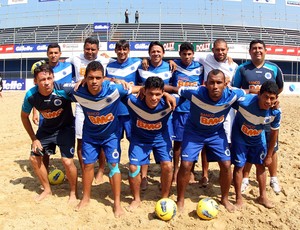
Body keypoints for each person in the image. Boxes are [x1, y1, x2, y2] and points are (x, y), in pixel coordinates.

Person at [166, 69, 245, 212]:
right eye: (212, 83)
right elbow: (173, 88)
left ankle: (225, 199)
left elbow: (249, 93)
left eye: (219, 83)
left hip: (216, 133)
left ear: (226, 84)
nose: (215, 86)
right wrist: (165, 93)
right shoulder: (195, 92)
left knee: (227, 164)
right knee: (186, 164)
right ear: (205, 84)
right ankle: (180, 199)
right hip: (194, 132)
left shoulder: (233, 95)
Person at [72, 61, 136, 217]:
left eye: (98, 78)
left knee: (114, 166)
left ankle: (117, 203)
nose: (94, 81)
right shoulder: (77, 91)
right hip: (90, 136)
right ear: (85, 78)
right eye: (90, 77)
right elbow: (54, 89)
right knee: (87, 166)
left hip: (111, 136)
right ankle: (86, 197)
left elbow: (140, 90)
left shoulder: (115, 89)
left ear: (103, 78)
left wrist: (167, 93)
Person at [232, 39, 284, 195]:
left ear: (265, 50)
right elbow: (235, 88)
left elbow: (280, 87)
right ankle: (246, 178)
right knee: (250, 144)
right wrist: (253, 93)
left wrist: (272, 100)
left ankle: (273, 178)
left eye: (260, 48)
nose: (257, 51)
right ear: (249, 51)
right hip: (250, 112)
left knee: (271, 147)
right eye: (254, 48)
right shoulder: (242, 69)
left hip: (267, 112)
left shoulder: (274, 68)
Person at [21, 64, 78, 203]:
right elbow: (23, 116)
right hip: (46, 130)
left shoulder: (64, 89)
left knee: (67, 161)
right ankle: (47, 189)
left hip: (66, 129)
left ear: (53, 78)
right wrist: (34, 139)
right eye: (42, 79)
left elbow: (87, 95)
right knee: (34, 158)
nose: (46, 82)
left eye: (49, 78)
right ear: (35, 81)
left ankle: (73, 193)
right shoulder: (31, 95)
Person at [122, 76, 176, 210]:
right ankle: (136, 198)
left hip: (160, 139)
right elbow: (117, 89)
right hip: (139, 140)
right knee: (134, 168)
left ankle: (164, 197)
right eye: (151, 93)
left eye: (158, 94)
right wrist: (122, 82)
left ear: (162, 93)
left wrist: (168, 94)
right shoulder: (132, 101)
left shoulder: (169, 102)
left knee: (168, 166)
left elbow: (187, 92)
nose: (154, 98)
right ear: (144, 91)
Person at [66, 36, 113, 183]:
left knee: (102, 139)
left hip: (101, 104)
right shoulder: (75, 58)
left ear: (98, 50)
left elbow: (122, 62)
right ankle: (86, 168)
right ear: (83, 48)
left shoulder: (106, 59)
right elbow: (59, 64)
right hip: (81, 103)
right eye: (87, 49)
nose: (90, 52)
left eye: (93, 49)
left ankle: (100, 170)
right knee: (80, 139)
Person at [194, 38, 239, 187]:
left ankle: (224, 174)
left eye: (223, 50)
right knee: (206, 140)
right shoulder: (205, 58)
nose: (220, 52)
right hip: (207, 105)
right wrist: (173, 62)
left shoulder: (234, 66)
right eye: (217, 49)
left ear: (227, 50)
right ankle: (205, 174)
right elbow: (186, 57)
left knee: (226, 140)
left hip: (226, 109)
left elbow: (236, 88)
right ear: (212, 50)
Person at [231, 81, 281, 209]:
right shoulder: (244, 102)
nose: (268, 101)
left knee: (261, 166)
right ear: (259, 94)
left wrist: (269, 155)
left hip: (258, 139)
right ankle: (238, 198)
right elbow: (229, 95)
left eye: (272, 98)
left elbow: (274, 134)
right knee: (239, 166)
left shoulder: (275, 112)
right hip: (240, 138)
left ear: (276, 99)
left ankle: (262, 197)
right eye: (266, 97)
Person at [31, 43, 75, 171]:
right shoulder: (43, 70)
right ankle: (46, 169)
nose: (53, 55)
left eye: (56, 53)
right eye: (51, 53)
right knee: (44, 147)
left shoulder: (68, 66)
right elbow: (36, 92)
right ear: (47, 54)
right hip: (46, 112)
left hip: (64, 108)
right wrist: (35, 112)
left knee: (65, 143)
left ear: (60, 54)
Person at [137, 41, 173, 190]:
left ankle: (164, 179)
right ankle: (144, 176)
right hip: (146, 108)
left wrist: (164, 94)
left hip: (164, 109)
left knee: (164, 142)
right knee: (145, 141)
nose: (156, 54)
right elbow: (138, 85)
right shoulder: (142, 66)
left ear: (163, 54)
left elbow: (172, 85)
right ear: (149, 53)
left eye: (159, 51)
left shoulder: (171, 66)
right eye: (153, 51)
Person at [170, 42, 203, 185]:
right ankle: (176, 170)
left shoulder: (200, 67)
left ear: (193, 54)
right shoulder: (174, 66)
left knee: (193, 142)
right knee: (178, 142)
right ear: (179, 54)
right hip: (179, 110)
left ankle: (191, 170)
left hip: (195, 110)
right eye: (184, 54)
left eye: (189, 54)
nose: (187, 57)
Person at [105, 39, 141, 144]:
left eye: (124, 49)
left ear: (128, 50)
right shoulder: (109, 66)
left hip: (131, 110)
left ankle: (137, 160)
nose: (122, 52)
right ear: (115, 50)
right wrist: (114, 80)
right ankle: (114, 161)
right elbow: (104, 79)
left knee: (134, 139)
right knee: (114, 140)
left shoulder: (137, 62)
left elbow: (143, 82)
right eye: (119, 49)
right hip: (115, 110)